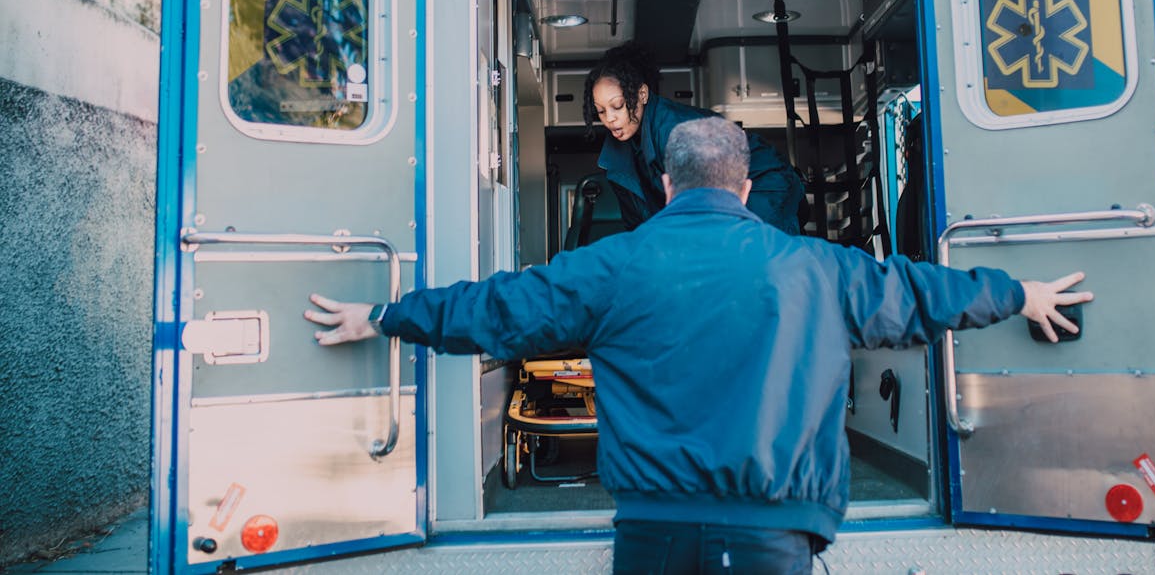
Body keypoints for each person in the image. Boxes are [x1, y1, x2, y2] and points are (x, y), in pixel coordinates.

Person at [306, 116, 1091, 574]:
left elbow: (498, 308)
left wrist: (383, 314)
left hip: (650, 534)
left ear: (669, 186)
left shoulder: (614, 265)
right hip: (774, 537)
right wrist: (1022, 293)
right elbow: (923, 292)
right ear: (746, 187)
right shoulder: (817, 267)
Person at [583, 41, 806, 234]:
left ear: (642, 94)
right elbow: (639, 226)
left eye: (617, 106)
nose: (609, 119)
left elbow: (703, 209)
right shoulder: (618, 158)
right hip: (720, 205)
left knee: (757, 266)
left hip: (764, 185)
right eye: (600, 111)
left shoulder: (676, 131)